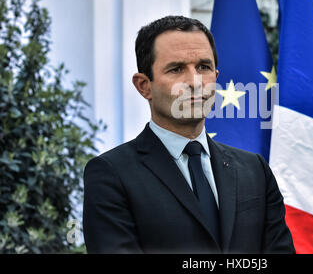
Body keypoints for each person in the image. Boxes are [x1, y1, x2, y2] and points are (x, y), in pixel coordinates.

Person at [82, 15, 295, 254]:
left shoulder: (254, 169)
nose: (194, 82)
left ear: (216, 76)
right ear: (144, 85)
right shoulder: (111, 175)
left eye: (203, 67)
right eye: (176, 69)